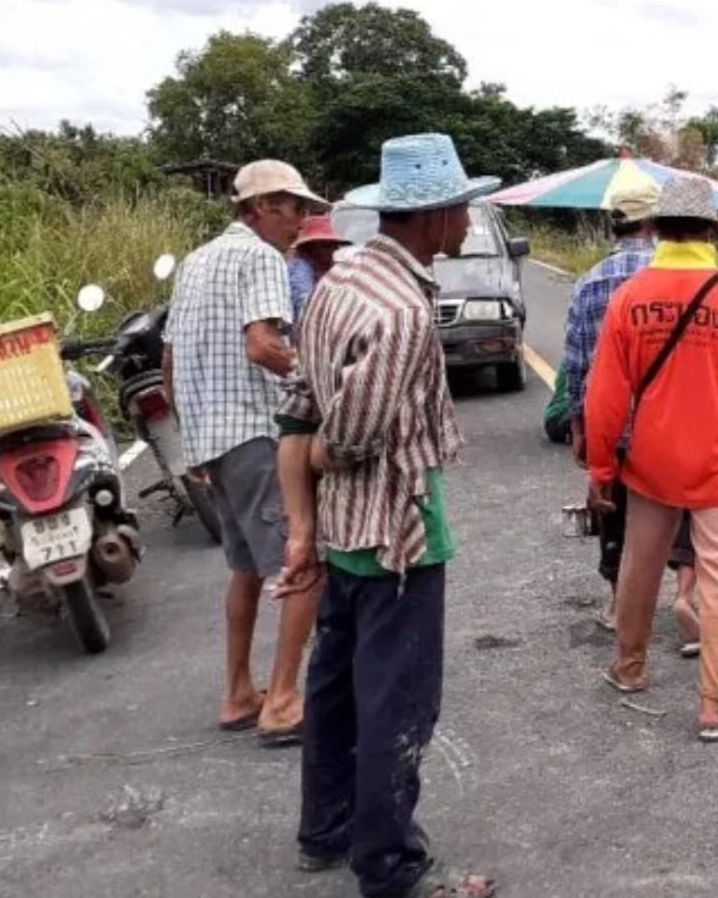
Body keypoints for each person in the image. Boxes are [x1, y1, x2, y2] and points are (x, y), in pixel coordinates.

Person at [273, 133, 498, 897]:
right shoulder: (403, 309)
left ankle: (324, 829)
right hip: (397, 532)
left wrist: (304, 523)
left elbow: (296, 410)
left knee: (334, 688)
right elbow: (350, 436)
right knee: (397, 705)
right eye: (462, 210)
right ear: (433, 217)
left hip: (341, 534)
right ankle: (393, 865)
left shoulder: (339, 282)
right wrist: (326, 456)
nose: (468, 225)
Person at [585, 174, 718, 742]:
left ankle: (629, 667)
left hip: (649, 461)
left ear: (656, 229)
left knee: (639, 564)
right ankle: (717, 706)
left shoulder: (630, 299)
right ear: (710, 232)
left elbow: (604, 397)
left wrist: (601, 470)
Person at [162, 158, 325, 744]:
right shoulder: (260, 258)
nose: (302, 220)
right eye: (294, 207)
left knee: (245, 570)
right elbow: (263, 346)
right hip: (255, 433)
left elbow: (170, 363)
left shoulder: (196, 261)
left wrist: (194, 442)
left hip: (211, 437)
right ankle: (282, 701)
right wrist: (316, 378)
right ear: (260, 209)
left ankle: (238, 693)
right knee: (304, 563)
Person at [559, 184, 699, 649]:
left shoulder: (591, 281)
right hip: (676, 421)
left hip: (614, 423)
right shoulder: (679, 278)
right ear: (652, 224)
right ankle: (686, 596)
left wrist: (581, 428)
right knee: (683, 510)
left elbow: (578, 364)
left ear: (614, 224)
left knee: (616, 511)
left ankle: (621, 603)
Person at [287, 213, 349, 324]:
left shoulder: (328, 267)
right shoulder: (300, 269)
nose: (332, 250)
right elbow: (305, 305)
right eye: (327, 246)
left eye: (335, 246)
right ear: (312, 247)